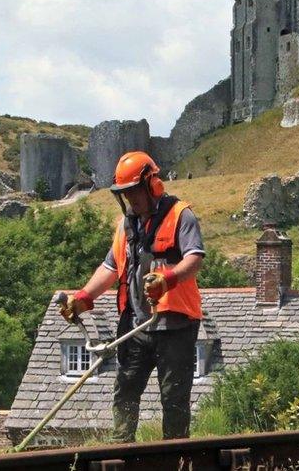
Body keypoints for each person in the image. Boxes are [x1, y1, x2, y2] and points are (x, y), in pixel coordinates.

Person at [60, 151, 205, 442]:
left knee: (173, 400)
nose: (131, 200)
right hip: (136, 326)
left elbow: (195, 258)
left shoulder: (181, 215)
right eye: (125, 194)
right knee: (125, 390)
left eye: (135, 192)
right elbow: (110, 267)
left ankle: (176, 457)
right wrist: (84, 298)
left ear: (152, 185)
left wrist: (168, 279)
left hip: (175, 326)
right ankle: (120, 449)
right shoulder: (126, 225)